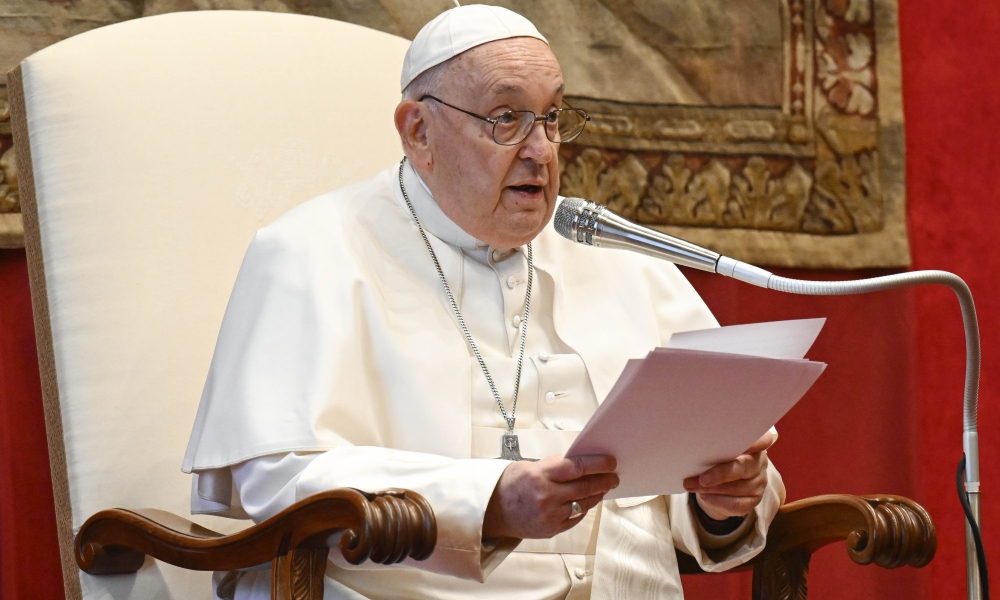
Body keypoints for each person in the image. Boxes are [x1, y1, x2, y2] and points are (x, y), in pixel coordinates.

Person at [182, 5, 785, 599]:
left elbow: (720, 461)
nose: (542, 151)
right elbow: (278, 480)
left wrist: (720, 501)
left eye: (550, 117)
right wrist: (492, 501)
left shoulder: (615, 253)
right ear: (419, 132)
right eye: (505, 119)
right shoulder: (307, 251)